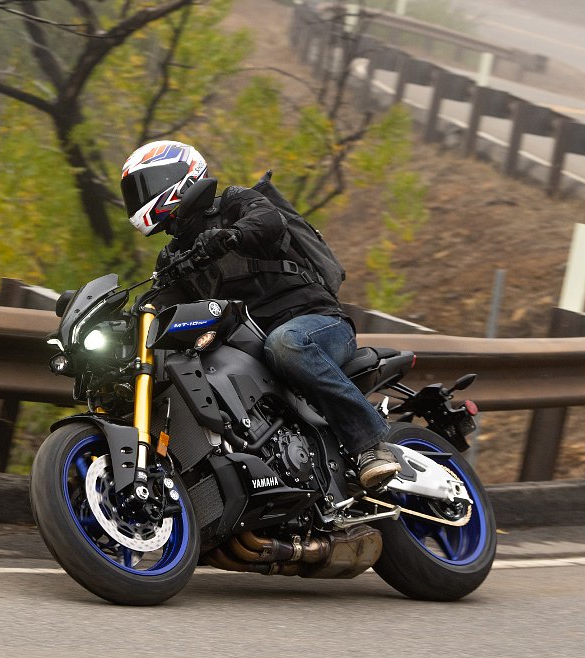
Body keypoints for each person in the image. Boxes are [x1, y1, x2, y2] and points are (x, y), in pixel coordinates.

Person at [119, 140, 400, 489]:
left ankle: (370, 444)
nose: (141, 195)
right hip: (253, 345)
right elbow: (160, 306)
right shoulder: (174, 258)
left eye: (147, 184)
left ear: (179, 174)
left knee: (287, 344)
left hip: (316, 322)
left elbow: (269, 222)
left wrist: (230, 235)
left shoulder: (235, 202)